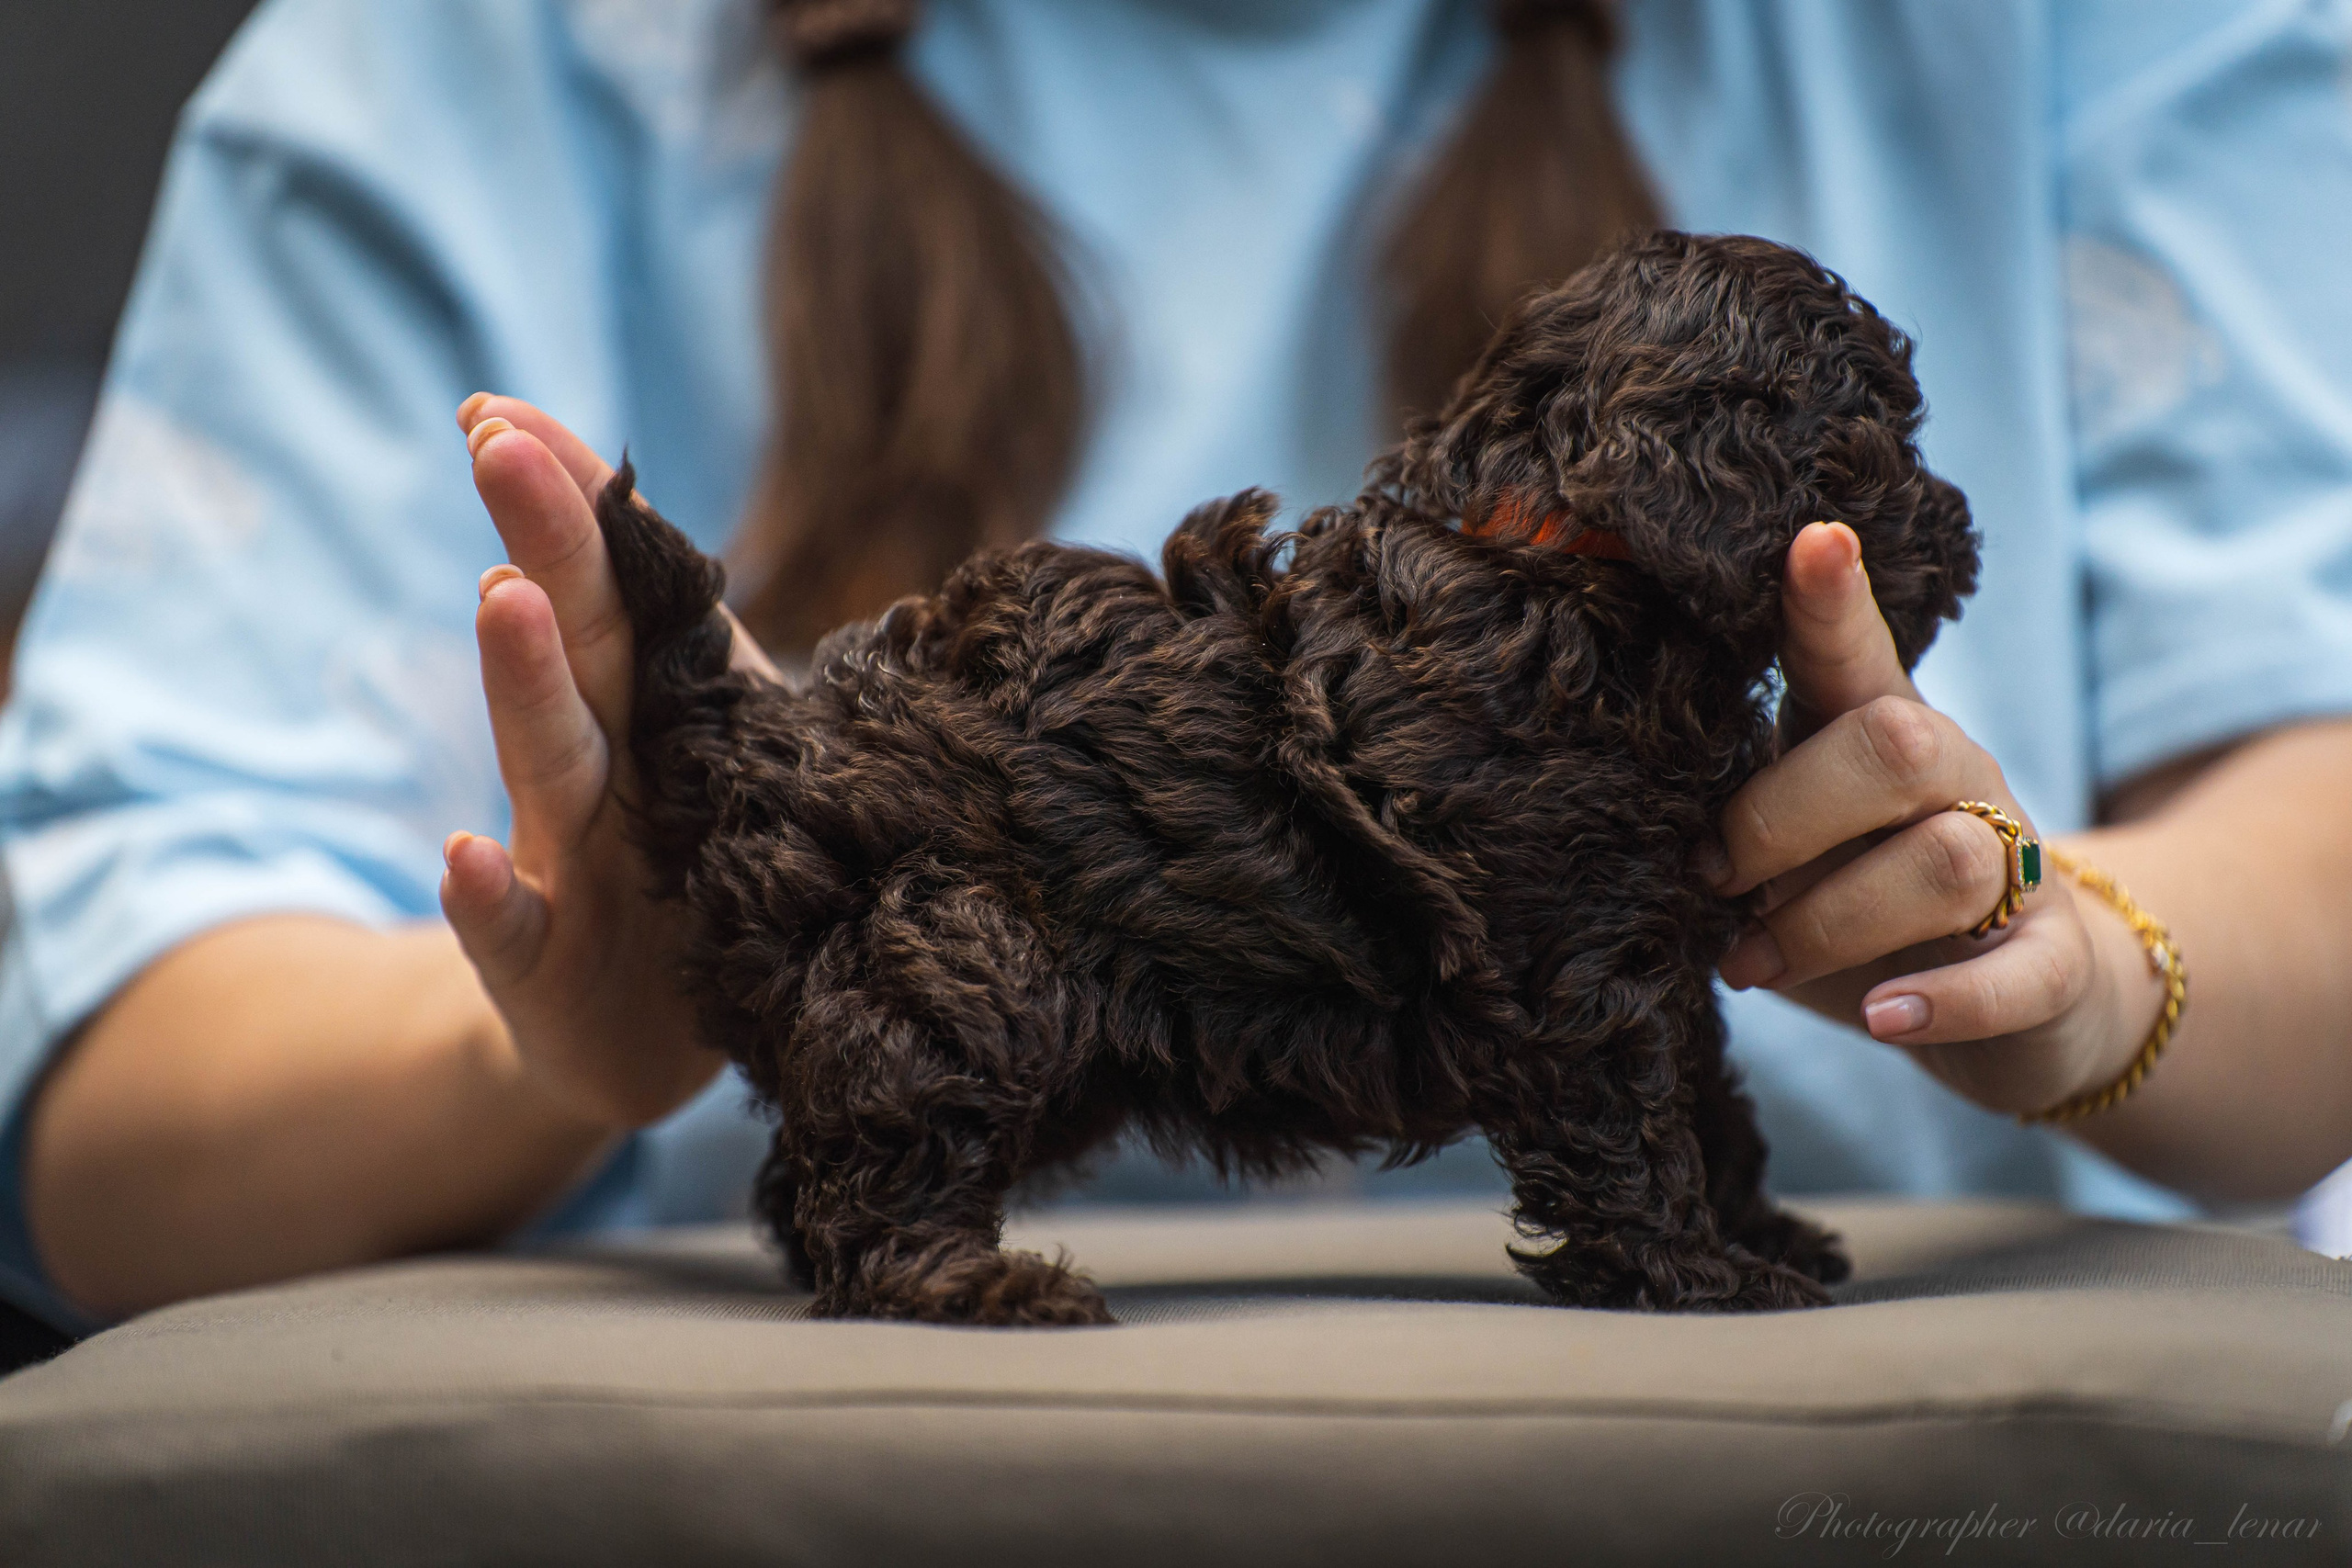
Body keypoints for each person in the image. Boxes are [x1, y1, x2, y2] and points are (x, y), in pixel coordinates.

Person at [4, 0, 2350, 1337]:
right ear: (1699, 487)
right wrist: (561, 1033)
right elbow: (99, 1128)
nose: (1910, 522)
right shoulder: (460, 64)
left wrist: (2081, 961)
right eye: (1864, 477)